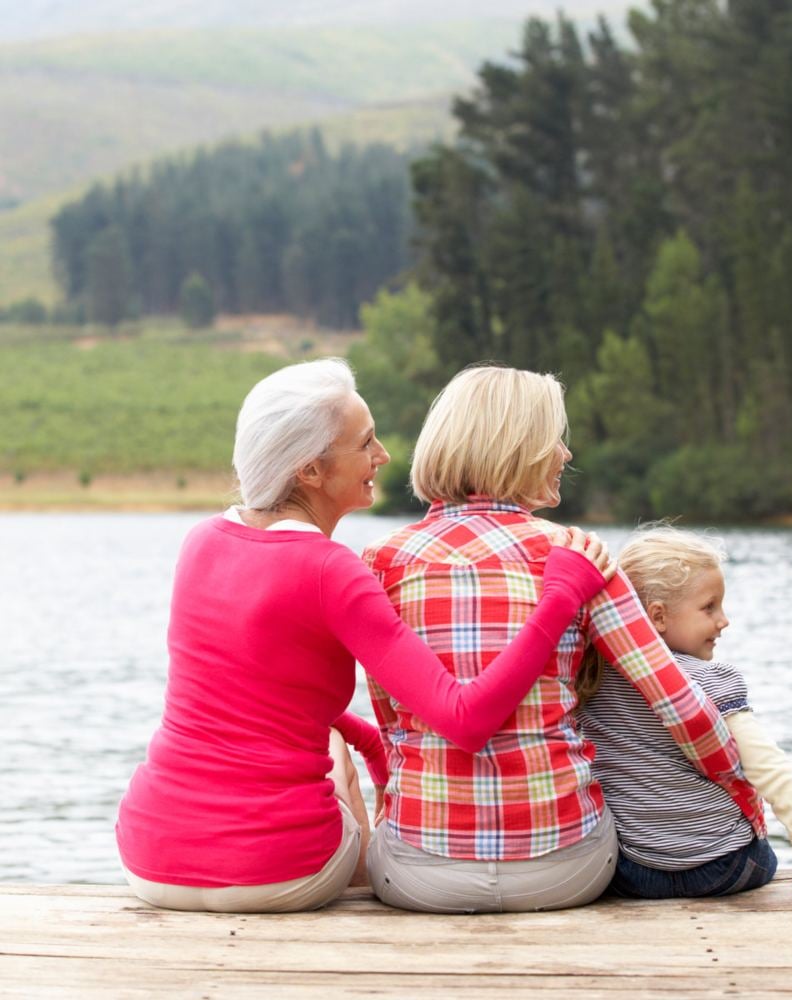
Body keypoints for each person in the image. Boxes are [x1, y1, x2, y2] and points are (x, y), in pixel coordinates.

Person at [115, 358, 614, 913]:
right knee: (328, 746)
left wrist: (375, 748)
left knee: (316, 729)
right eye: (366, 443)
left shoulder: (200, 542)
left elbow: (260, 701)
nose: (383, 457)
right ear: (311, 471)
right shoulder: (331, 570)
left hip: (148, 857)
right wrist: (560, 597)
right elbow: (466, 719)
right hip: (275, 872)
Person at [363, 365, 765, 914]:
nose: (565, 454)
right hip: (566, 869)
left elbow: (391, 723)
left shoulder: (380, 563)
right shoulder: (579, 555)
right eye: (556, 438)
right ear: (519, 446)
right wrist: (743, 793)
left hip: (420, 875)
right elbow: (682, 707)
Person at [578, 525, 792, 899]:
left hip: (636, 871)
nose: (724, 620)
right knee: (762, 853)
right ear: (658, 616)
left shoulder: (591, 680)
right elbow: (771, 770)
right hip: (723, 868)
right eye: (709, 607)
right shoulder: (710, 681)